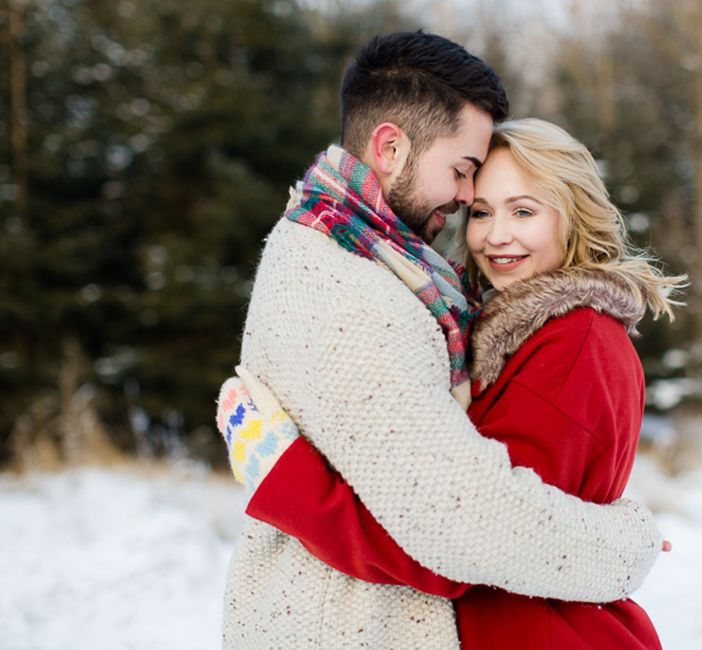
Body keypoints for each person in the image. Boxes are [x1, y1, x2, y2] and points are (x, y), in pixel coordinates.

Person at [217, 31, 665, 649]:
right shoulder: (349, 281)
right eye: (471, 188)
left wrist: (289, 483)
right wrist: (621, 541)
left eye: (525, 210)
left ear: (572, 213)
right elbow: (465, 526)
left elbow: (476, 521)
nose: (469, 208)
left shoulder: (564, 332)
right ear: (391, 147)